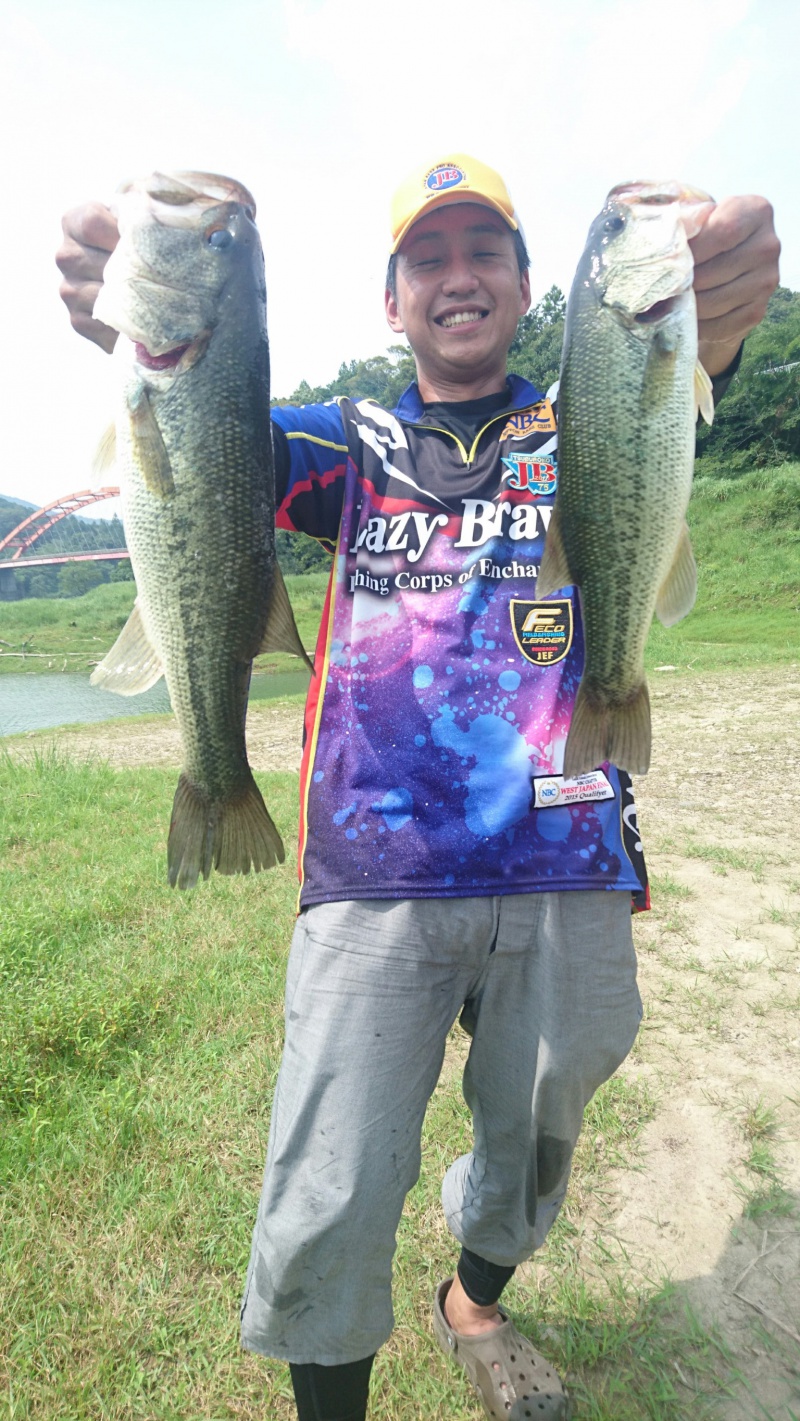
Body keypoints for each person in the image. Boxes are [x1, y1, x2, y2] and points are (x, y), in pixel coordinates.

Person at [57, 153, 779, 1421]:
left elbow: (690, 350)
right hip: (373, 866)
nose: (458, 278)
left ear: (523, 285)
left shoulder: (588, 420)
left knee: (541, 1127)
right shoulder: (347, 446)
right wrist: (129, 304)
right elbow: (205, 440)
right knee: (328, 1179)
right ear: (392, 303)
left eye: (484, 252)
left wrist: (724, 290)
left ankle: (473, 1297)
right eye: (427, 260)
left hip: (562, 848)